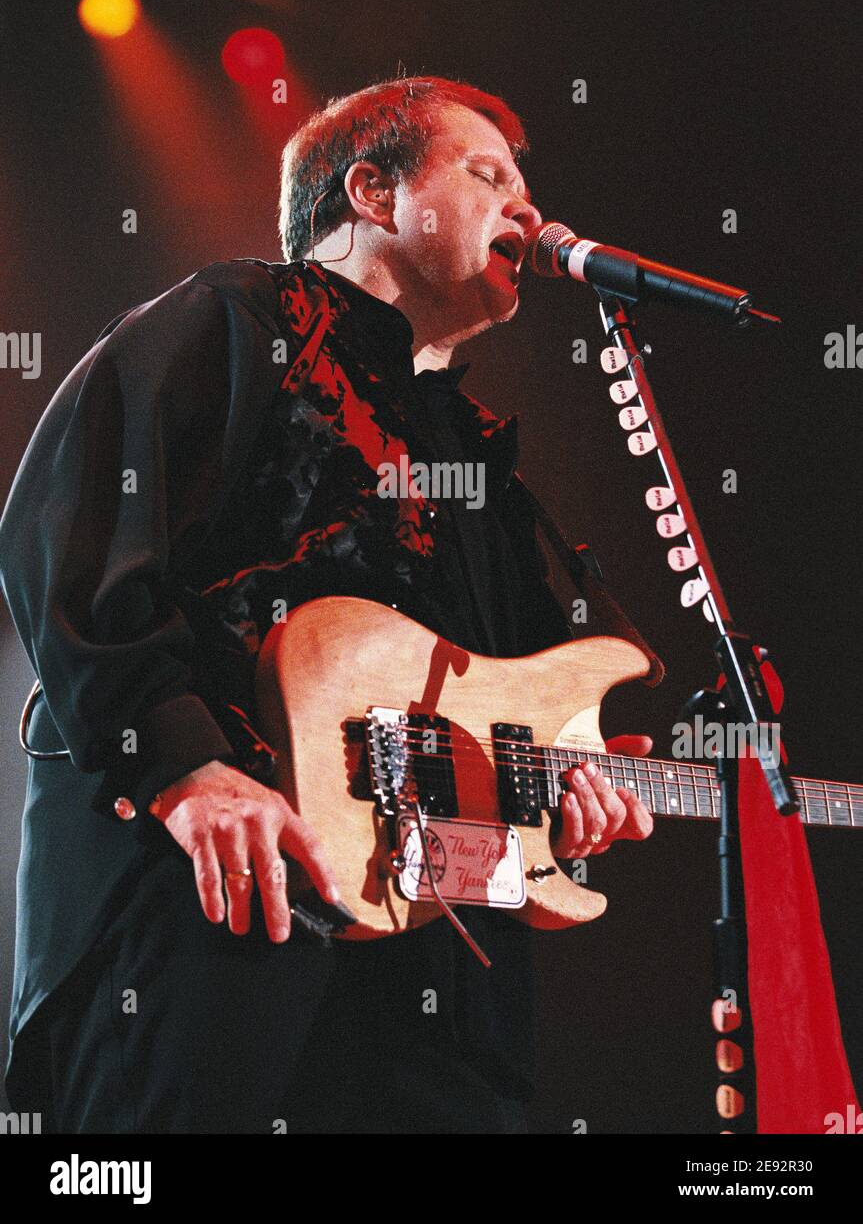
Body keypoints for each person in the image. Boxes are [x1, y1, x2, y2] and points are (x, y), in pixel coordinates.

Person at [0, 75, 658, 1134]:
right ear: (372, 192)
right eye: (486, 175)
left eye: (525, 189)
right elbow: (65, 535)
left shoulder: (477, 456)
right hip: (215, 917)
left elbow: (516, 720)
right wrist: (185, 764)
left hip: (434, 970)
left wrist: (563, 802)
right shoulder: (240, 320)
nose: (528, 214)